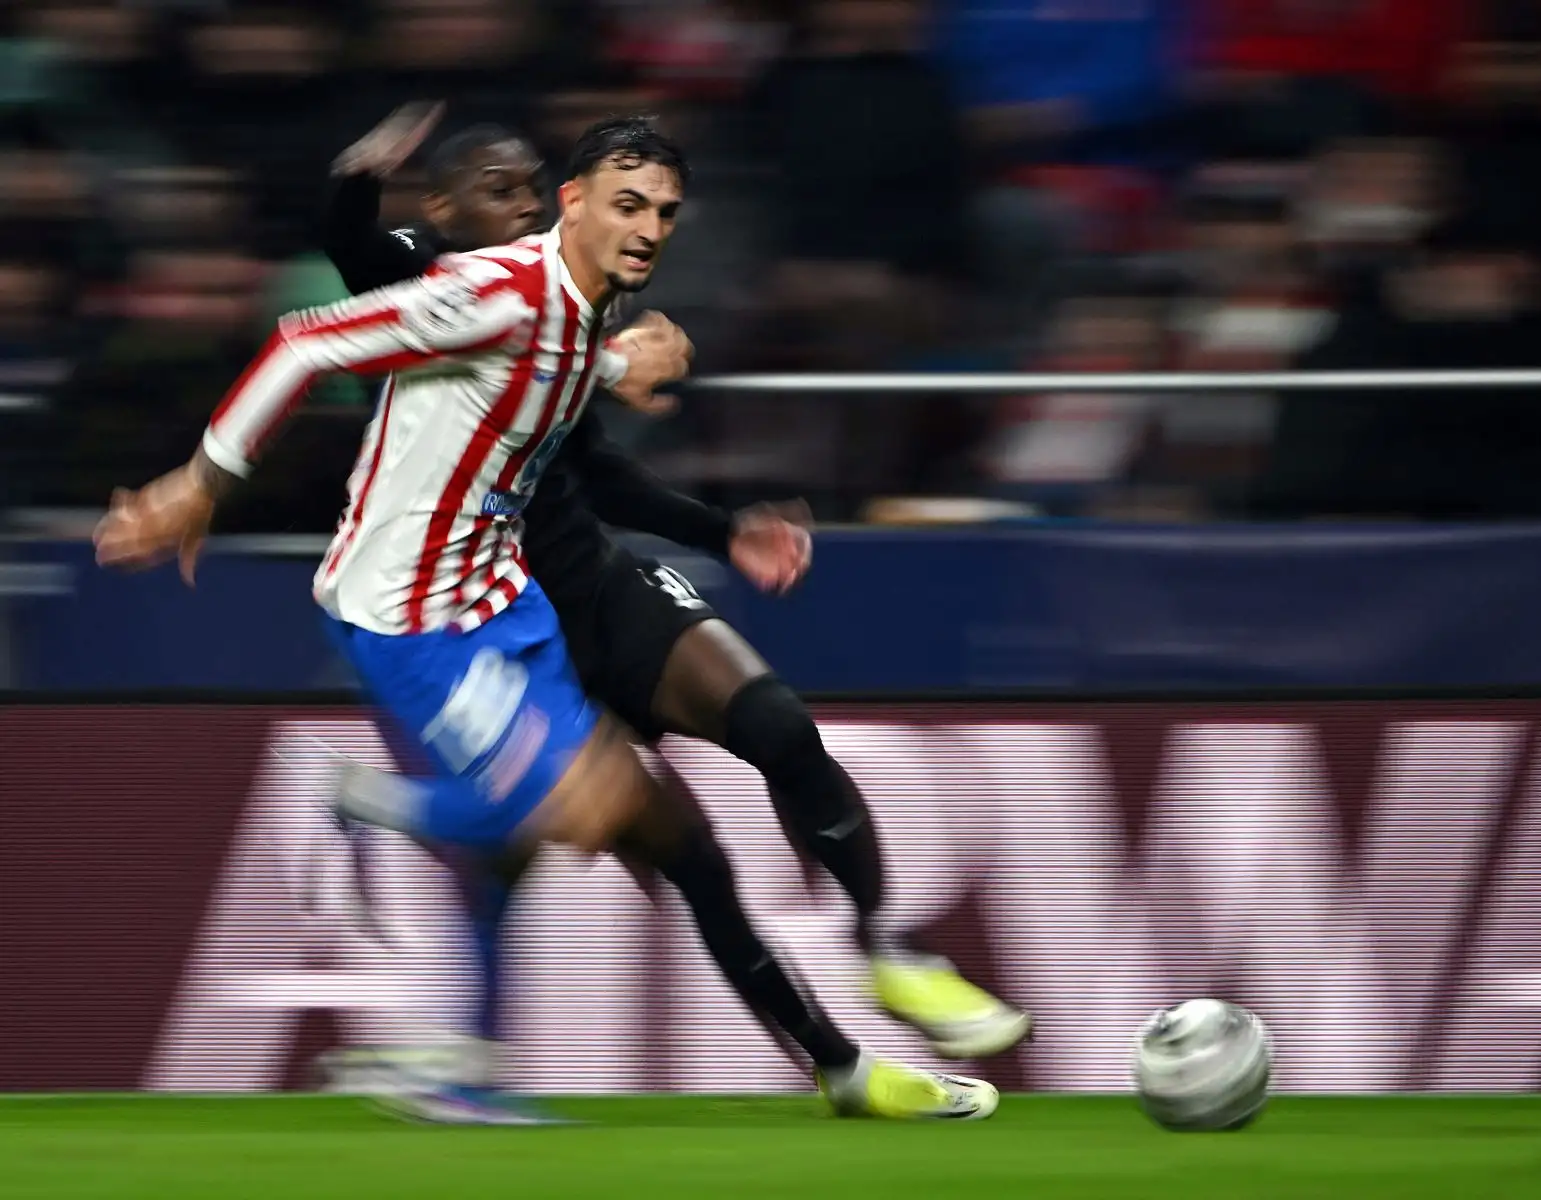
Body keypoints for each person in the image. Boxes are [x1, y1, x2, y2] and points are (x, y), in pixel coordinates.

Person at [93, 117, 999, 1125]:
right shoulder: (494, 292)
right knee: (581, 807)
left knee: (676, 847)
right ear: (573, 203)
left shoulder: (573, 309)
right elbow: (307, 341)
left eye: (664, 212)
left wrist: (621, 369)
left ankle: (839, 1071)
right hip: (409, 618)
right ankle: (356, 802)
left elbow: (545, 373)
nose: (649, 226)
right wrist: (200, 485)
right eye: (627, 203)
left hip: (503, 603)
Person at [324, 108, 1031, 1064]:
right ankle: (838, 1067)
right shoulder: (424, 281)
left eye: (531, 190)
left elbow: (598, 471)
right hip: (487, 624)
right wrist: (355, 179)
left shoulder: (574, 289)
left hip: (589, 579)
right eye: (499, 191)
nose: (524, 206)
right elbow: (355, 253)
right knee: (671, 865)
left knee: (778, 723)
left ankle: (883, 945)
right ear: (440, 210)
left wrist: (724, 529)